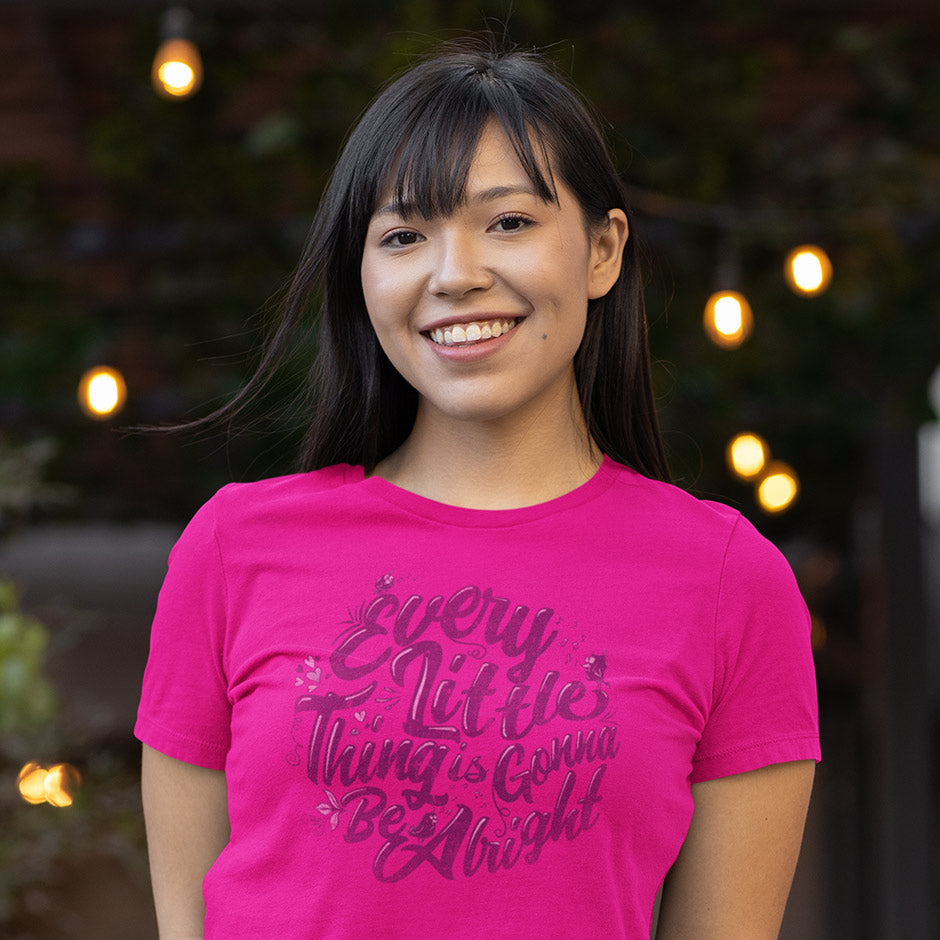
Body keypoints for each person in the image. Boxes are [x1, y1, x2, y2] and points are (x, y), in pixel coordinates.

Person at [136, 39, 820, 940]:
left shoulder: (731, 580)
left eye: (508, 223)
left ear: (604, 251)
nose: (453, 275)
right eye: (403, 236)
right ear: (364, 277)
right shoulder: (232, 548)